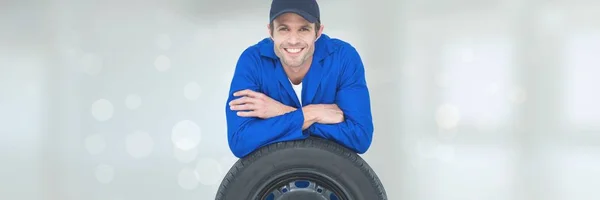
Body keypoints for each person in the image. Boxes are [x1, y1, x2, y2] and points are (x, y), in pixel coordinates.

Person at [225, 0, 374, 158]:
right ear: (271, 32)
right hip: (273, 176)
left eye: (303, 29)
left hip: (329, 176)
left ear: (318, 32)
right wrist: (310, 114)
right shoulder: (252, 61)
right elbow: (240, 141)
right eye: (284, 29)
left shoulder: (343, 58)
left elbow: (360, 137)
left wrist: (281, 112)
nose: (293, 40)